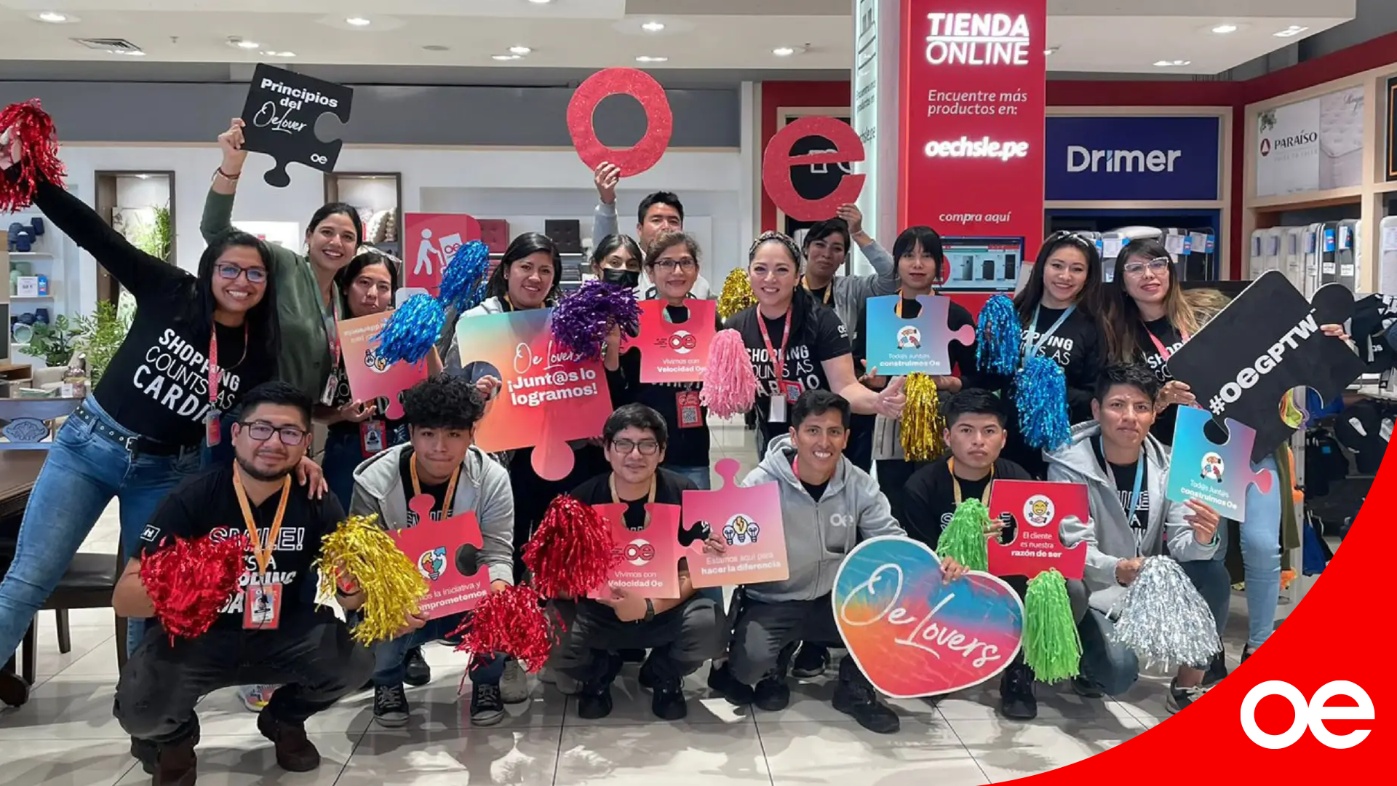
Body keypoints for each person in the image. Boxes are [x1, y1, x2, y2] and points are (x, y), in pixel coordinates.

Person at [0, 138, 291, 706]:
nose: (241, 281)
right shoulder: (171, 291)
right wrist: (29, 176)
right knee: (29, 580)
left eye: (255, 274)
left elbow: (263, 415)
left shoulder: (259, 349)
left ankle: (143, 709)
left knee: (151, 597)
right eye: (230, 268)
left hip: (167, 473)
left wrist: (296, 452)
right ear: (210, 270)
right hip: (89, 449)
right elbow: (95, 234)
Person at [112, 382, 375, 784]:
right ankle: (176, 741)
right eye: (261, 428)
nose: (274, 442)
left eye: (290, 433)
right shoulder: (194, 497)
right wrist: (195, 577)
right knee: (140, 709)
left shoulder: (316, 497)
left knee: (355, 663)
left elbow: (352, 600)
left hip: (284, 630)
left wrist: (352, 584)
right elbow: (124, 599)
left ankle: (283, 719)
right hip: (199, 637)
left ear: (306, 442)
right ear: (236, 434)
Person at [707, 390, 906, 734]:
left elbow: (891, 541)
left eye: (834, 432)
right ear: (794, 435)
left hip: (836, 599)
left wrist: (927, 566)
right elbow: (733, 540)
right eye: (813, 431)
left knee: (897, 617)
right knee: (748, 668)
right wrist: (717, 547)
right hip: (775, 600)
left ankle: (854, 689)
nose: (823, 442)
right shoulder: (761, 482)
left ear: (846, 438)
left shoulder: (860, 485)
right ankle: (775, 661)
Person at [1046, 364, 1229, 713]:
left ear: (1153, 414)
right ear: (1097, 410)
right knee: (1117, 675)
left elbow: (1183, 545)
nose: (1129, 417)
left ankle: (1187, 685)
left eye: (1141, 407)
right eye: (1117, 405)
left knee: (1213, 572)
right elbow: (1073, 547)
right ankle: (1087, 665)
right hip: (1098, 589)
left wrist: (1202, 538)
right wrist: (1118, 569)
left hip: (1148, 584)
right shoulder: (1068, 465)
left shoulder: (1172, 464)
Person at [903, 389, 1088, 720]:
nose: (978, 441)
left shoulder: (1018, 479)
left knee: (1067, 587)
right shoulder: (921, 486)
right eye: (966, 430)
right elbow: (916, 558)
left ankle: (1019, 672)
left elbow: (1040, 545)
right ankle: (940, 658)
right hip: (948, 586)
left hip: (1005, 582)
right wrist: (946, 559)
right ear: (947, 436)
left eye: (988, 431)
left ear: (1003, 438)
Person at [349, 373, 520, 726]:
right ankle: (387, 682)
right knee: (373, 615)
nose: (440, 447)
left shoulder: (492, 478)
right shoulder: (374, 482)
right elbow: (364, 560)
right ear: (411, 433)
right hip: (404, 593)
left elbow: (497, 553)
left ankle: (486, 682)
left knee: (504, 604)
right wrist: (388, 601)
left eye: (454, 434)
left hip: (465, 590)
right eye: (428, 434)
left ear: (471, 434)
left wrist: (498, 593)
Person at [553, 404, 725, 720]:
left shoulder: (684, 491)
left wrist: (649, 607)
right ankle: (598, 673)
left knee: (710, 625)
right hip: (600, 612)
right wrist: (596, 591)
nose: (635, 455)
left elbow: (695, 568)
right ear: (607, 450)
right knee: (549, 630)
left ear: (661, 452)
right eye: (623, 444)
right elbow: (554, 575)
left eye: (647, 445)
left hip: (664, 609)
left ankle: (662, 673)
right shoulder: (580, 499)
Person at [204, 118, 364, 403]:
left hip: (302, 418)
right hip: (255, 413)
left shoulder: (340, 298)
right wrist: (231, 165)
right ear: (309, 236)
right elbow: (216, 231)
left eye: (348, 237)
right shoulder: (284, 264)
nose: (336, 242)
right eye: (327, 232)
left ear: (356, 248)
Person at [725, 231, 906, 459]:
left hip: (823, 442)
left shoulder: (822, 320)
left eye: (782, 270)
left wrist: (877, 402)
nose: (770, 278)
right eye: (760, 269)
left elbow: (844, 387)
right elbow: (739, 403)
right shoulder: (736, 328)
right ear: (749, 273)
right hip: (772, 444)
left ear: (796, 276)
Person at [856, 225, 979, 524]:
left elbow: (980, 378)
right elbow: (855, 365)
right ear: (897, 262)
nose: (917, 264)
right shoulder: (877, 312)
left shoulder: (954, 315)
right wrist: (872, 382)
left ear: (938, 265)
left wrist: (951, 383)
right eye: (909, 255)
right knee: (894, 503)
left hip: (938, 424)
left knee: (935, 504)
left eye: (927, 256)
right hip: (890, 420)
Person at [976, 231, 1106, 478]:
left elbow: (1096, 394)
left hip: (1065, 446)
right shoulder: (1016, 313)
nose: (1065, 276)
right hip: (1009, 441)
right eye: (1057, 265)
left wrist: (1049, 388)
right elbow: (989, 380)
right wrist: (990, 349)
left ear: (1088, 276)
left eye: (1077, 269)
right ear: (1042, 267)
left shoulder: (1094, 326)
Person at [603, 231, 717, 489]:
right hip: (639, 450)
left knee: (693, 514)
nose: (677, 271)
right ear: (650, 272)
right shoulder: (633, 321)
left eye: (685, 262)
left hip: (692, 451)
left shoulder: (710, 321)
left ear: (696, 270)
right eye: (666, 263)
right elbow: (617, 389)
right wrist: (613, 347)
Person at [590, 163, 711, 297]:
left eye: (673, 221)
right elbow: (606, 247)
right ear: (640, 229)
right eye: (656, 220)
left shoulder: (700, 286)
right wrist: (607, 203)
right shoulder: (627, 270)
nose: (666, 227)